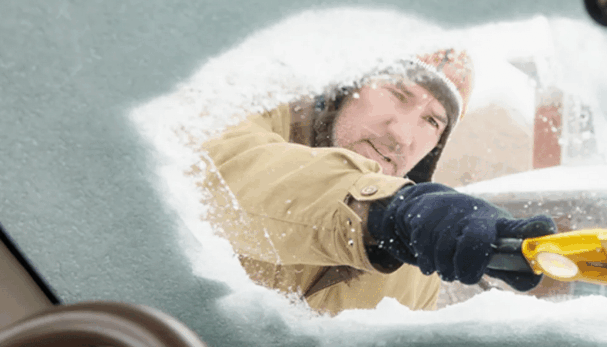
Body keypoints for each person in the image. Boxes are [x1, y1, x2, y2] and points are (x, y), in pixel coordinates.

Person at [197, 48, 557, 316]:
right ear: (347, 86)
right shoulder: (245, 115)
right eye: (398, 94)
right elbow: (222, 180)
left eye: (432, 121)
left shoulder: (418, 266)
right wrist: (385, 211)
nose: (402, 135)